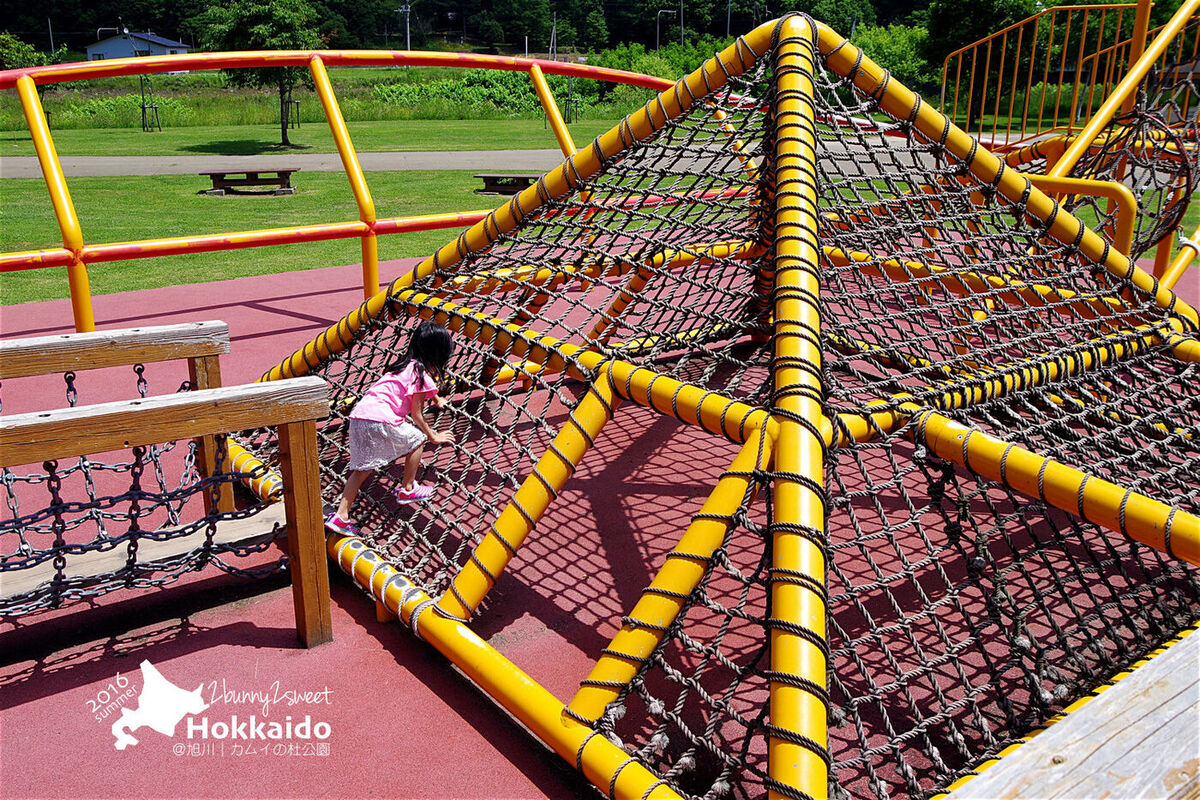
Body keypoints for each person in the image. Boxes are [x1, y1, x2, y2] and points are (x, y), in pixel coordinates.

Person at [325, 320, 456, 536]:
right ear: (439, 352)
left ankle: (341, 516)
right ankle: (407, 488)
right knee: (417, 439)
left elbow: (413, 390)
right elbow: (416, 414)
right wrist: (433, 436)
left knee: (361, 470)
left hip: (359, 417)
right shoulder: (422, 374)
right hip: (380, 419)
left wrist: (437, 399)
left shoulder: (405, 365)